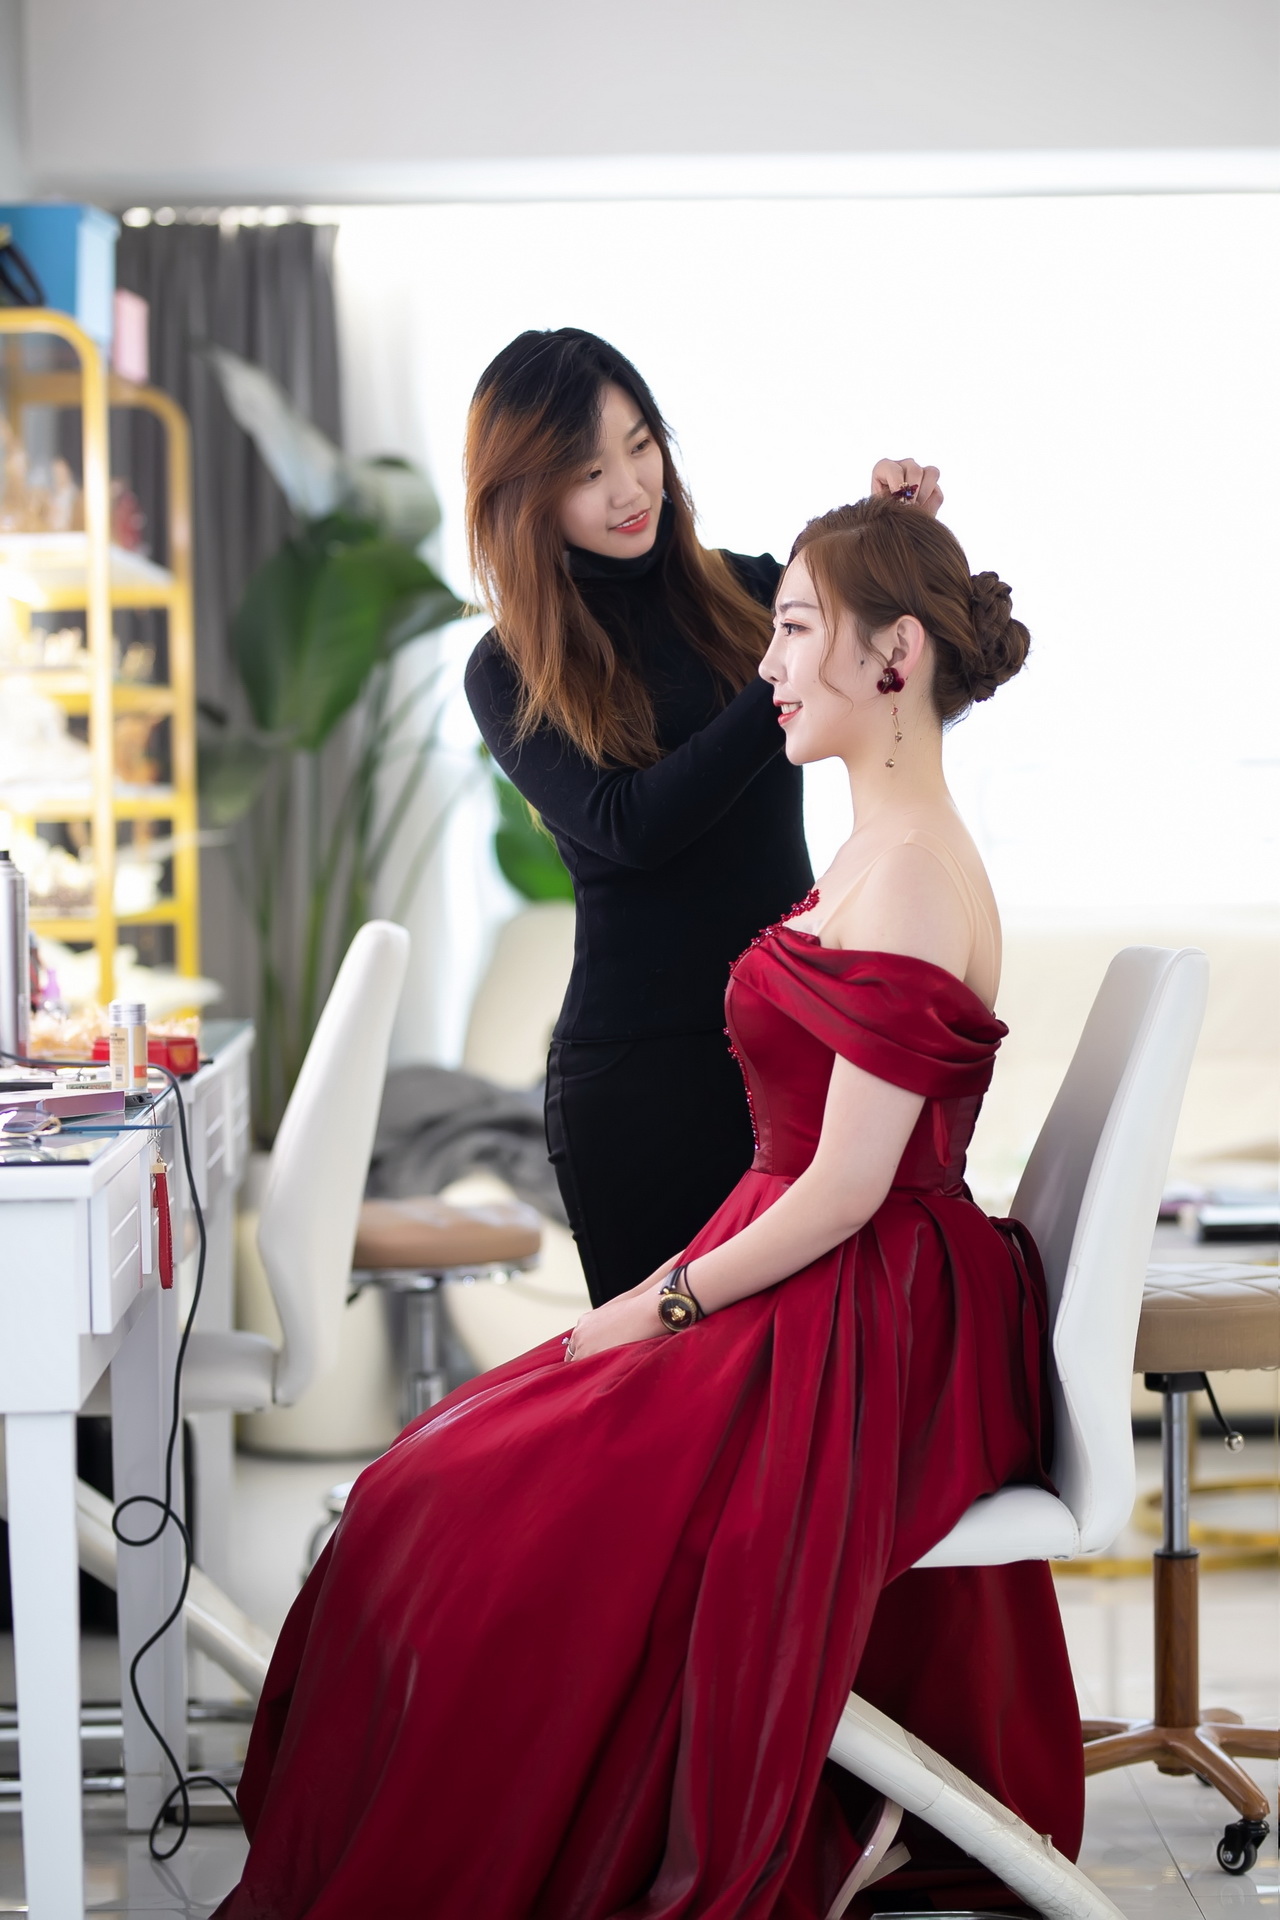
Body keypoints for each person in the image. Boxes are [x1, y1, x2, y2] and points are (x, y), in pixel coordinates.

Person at [214, 496, 1084, 1920]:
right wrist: (668, 1294)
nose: (769, 663)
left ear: (895, 658)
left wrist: (661, 1303)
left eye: (793, 629)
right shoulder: (878, 853)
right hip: (824, 1270)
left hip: (861, 1305)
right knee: (429, 1481)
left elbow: (846, 1186)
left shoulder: (914, 877)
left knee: (466, 1503)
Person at [464, 327, 943, 1304]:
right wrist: (786, 667)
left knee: (799, 1358)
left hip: (792, 1042)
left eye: (640, 445)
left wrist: (892, 541)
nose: (629, 487)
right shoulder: (510, 667)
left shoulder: (754, 591)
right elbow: (631, 828)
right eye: (587, 472)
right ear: (525, 496)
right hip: (637, 1083)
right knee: (664, 1378)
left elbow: (890, 672)